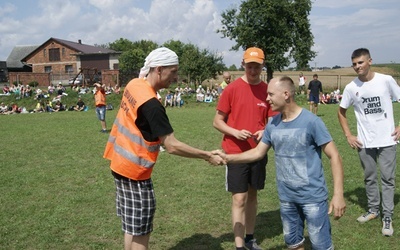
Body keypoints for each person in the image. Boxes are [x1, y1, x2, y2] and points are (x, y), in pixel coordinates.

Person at [103, 47, 225, 250]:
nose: (176, 77)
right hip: (136, 175)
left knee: (131, 228)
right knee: (141, 233)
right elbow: (172, 145)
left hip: (119, 166)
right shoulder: (152, 105)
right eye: (174, 71)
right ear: (159, 69)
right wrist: (207, 155)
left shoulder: (134, 85)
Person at [217, 76, 346, 250]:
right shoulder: (273, 125)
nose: (267, 98)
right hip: (287, 199)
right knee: (293, 244)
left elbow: (335, 156)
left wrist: (338, 195)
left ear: (286, 94)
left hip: (313, 199)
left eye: (270, 94)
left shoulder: (312, 122)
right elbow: (257, 152)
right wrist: (228, 158)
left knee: (321, 246)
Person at [213, 47, 276, 250]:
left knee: (253, 195)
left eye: (256, 66)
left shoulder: (268, 91)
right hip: (235, 152)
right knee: (239, 198)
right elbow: (217, 121)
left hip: (258, 152)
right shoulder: (231, 89)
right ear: (243, 64)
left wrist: (264, 131)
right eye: (249, 66)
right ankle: (239, 245)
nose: (253, 70)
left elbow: (274, 122)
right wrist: (234, 132)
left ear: (262, 66)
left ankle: (250, 238)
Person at [338, 48, 400, 237]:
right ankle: (374, 210)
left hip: (388, 139)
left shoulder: (386, 80)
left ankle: (387, 216)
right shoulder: (351, 87)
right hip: (364, 142)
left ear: (370, 61)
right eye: (354, 63)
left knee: (388, 179)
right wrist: (349, 135)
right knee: (370, 177)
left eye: (360, 62)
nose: (357, 67)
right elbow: (341, 112)